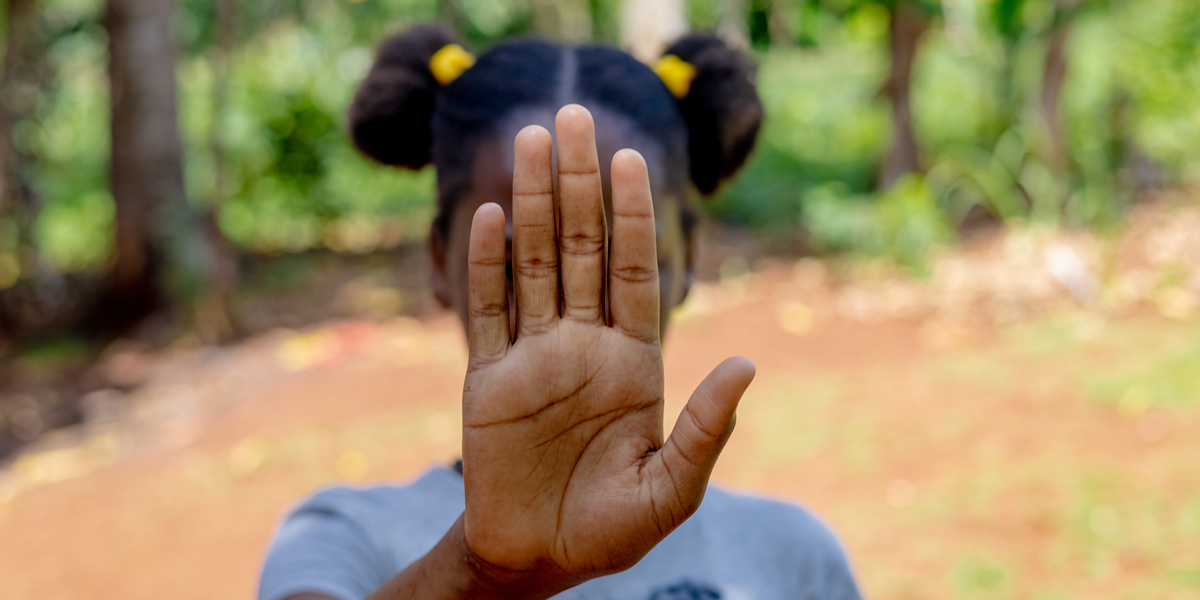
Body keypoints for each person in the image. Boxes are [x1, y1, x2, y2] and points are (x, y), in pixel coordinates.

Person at [258, 25, 864, 600]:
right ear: (441, 260)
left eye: (622, 257)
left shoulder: (790, 556)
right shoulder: (345, 539)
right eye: (522, 262)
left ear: (686, 261)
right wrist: (484, 575)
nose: (575, 314)